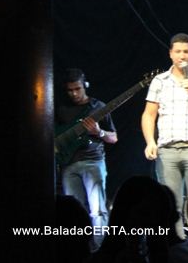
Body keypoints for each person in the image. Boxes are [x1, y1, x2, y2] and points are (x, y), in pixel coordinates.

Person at [141, 33, 188, 260]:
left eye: (186, 51)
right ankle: (173, 253)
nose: (182, 56)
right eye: (178, 51)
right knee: (169, 206)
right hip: (167, 150)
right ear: (170, 53)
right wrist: (150, 141)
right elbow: (149, 115)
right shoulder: (160, 81)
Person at [56, 68, 118, 251]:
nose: (74, 93)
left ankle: (100, 251)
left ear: (85, 86)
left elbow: (114, 138)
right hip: (68, 165)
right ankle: (78, 250)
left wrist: (98, 132)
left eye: (78, 89)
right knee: (74, 211)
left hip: (93, 162)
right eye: (70, 90)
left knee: (98, 209)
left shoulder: (99, 107)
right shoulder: (61, 109)